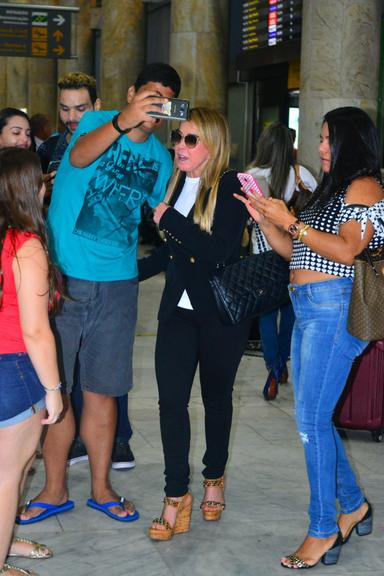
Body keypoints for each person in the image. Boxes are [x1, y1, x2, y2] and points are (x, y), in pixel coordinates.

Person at [17, 62, 181, 525]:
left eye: (163, 100)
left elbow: (163, 210)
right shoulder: (94, 120)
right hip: (65, 277)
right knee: (58, 390)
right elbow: (80, 158)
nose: (154, 106)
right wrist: (122, 119)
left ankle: (102, 486)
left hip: (117, 284)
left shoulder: (161, 159)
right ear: (131, 93)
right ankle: (53, 489)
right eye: (149, 94)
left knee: (103, 391)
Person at [235, 106, 384, 569]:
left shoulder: (366, 187)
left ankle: (323, 528)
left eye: (326, 139)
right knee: (312, 420)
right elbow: (295, 253)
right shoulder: (329, 189)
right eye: (318, 138)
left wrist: (290, 219)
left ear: (350, 143)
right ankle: (354, 504)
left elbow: (347, 249)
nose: (319, 147)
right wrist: (266, 220)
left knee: (311, 424)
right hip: (306, 309)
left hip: (333, 311)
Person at [138, 107, 251, 541]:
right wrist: (131, 274)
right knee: (171, 403)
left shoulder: (231, 184)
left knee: (217, 400)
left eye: (190, 140)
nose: (179, 147)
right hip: (178, 313)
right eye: (178, 139)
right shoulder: (177, 183)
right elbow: (174, 256)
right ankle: (174, 498)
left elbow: (219, 250)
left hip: (221, 315)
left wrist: (169, 219)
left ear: (213, 145)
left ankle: (214, 478)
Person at [36, 72, 134, 470]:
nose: (71, 116)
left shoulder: (117, 141)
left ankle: (117, 443)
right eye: (64, 108)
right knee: (57, 376)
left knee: (105, 379)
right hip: (59, 272)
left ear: (96, 106)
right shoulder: (54, 148)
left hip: (109, 276)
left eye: (80, 107)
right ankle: (59, 466)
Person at [0, 147, 63, 575]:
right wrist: (54, 391)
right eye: (40, 179)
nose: (45, 185)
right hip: (13, 369)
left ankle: (6, 538)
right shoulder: (26, 246)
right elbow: (36, 332)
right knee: (8, 475)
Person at [246, 122, 317, 400]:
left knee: (265, 314)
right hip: (296, 253)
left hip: (262, 254)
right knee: (289, 312)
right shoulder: (304, 176)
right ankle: (281, 365)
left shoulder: (251, 176)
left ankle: (272, 367)